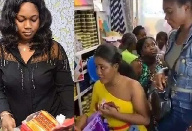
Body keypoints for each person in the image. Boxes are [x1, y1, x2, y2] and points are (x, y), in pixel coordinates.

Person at [0, 0, 74, 130]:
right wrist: (4, 114)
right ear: (11, 19)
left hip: (51, 125)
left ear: (41, 19)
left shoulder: (54, 50)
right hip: (19, 126)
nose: (28, 26)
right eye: (21, 19)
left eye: (34, 19)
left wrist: (69, 119)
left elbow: (66, 87)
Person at [75, 44, 150, 131]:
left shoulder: (133, 86)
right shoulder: (98, 86)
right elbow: (92, 112)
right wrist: (80, 123)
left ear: (115, 67)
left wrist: (116, 114)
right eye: (96, 67)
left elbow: (145, 119)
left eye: (102, 67)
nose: (98, 72)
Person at [155, 0, 192, 130]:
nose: (166, 17)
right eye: (165, 12)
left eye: (169, 12)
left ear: (186, 7)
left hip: (188, 115)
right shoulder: (173, 36)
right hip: (169, 106)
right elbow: (169, 65)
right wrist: (160, 71)